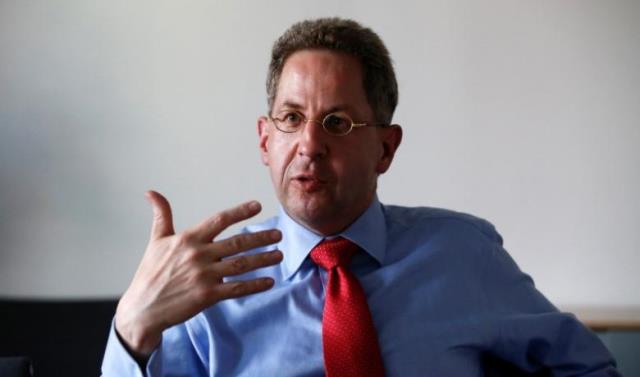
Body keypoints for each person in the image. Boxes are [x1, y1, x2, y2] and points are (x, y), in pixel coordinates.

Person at [102, 18, 620, 376]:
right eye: (291, 118)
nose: (309, 144)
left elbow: (587, 365)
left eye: (337, 122)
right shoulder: (209, 281)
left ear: (385, 148)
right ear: (265, 139)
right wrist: (133, 325)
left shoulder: (463, 253)